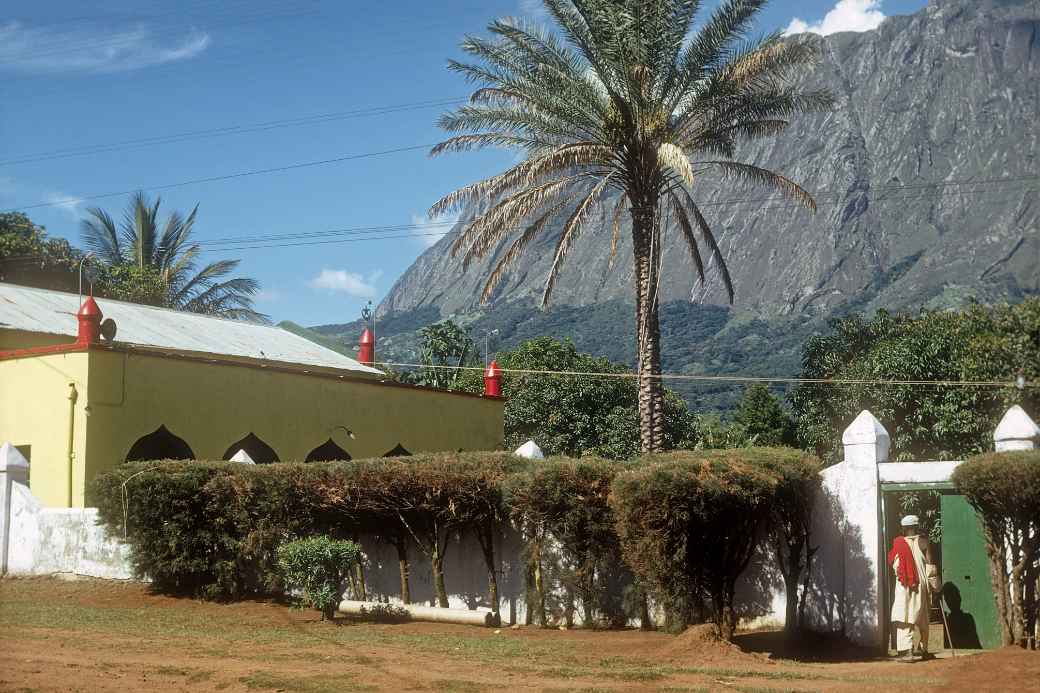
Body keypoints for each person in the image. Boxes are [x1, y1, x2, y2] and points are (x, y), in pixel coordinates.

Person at [888, 515, 940, 661]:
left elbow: (895, 566)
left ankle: (907, 652)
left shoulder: (898, 543)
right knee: (923, 616)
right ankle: (924, 650)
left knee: (905, 616)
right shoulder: (924, 541)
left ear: (903, 528)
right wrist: (936, 586)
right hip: (921, 585)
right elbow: (930, 566)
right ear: (917, 526)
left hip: (904, 585)